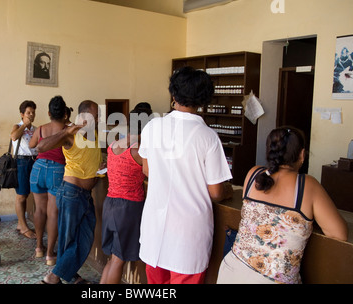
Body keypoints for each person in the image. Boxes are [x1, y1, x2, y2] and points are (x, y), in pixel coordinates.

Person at [138, 66, 233, 284]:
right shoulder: (208, 137)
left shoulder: (153, 127)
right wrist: (227, 190)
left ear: (173, 95)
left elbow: (147, 170)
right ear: (204, 99)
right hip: (188, 235)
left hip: (155, 230)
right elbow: (216, 192)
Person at [217, 126, 348, 284]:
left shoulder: (253, 174)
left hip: (231, 269)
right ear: (301, 154)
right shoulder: (307, 185)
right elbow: (339, 233)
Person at [38, 100, 103, 284]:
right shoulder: (71, 134)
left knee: (85, 237)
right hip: (71, 193)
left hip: (85, 195)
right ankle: (56, 277)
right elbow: (41, 147)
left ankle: (63, 274)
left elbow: (89, 161)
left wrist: (100, 168)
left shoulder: (95, 134)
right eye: (96, 115)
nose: (99, 119)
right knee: (69, 239)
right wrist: (65, 131)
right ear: (84, 116)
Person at [100, 107, 149, 284]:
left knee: (113, 258)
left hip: (110, 204)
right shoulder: (138, 151)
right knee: (118, 260)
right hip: (128, 208)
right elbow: (153, 174)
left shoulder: (113, 146)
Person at [28, 96, 69, 264]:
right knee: (53, 213)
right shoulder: (68, 130)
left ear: (49, 113)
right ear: (65, 114)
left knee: (39, 210)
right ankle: (50, 255)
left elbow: (32, 145)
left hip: (38, 169)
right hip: (57, 171)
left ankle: (39, 247)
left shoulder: (41, 129)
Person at [10, 100, 38, 239]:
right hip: (21, 162)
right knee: (21, 195)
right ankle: (22, 225)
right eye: (28, 113)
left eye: (33, 112)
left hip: (34, 161)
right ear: (22, 114)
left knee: (29, 195)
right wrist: (25, 125)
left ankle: (22, 223)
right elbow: (14, 137)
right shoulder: (18, 126)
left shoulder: (36, 129)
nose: (31, 115)